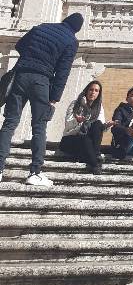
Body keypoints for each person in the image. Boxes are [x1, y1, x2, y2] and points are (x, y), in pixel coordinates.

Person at [0, 12, 82, 187]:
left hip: (20, 75)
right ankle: (35, 172)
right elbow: (62, 71)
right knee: (39, 127)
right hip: (41, 81)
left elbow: (20, 45)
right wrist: (54, 98)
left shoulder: (41, 27)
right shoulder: (71, 41)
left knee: (9, 123)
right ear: (76, 29)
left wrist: (32, 56)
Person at [59, 80, 114, 174]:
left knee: (98, 124)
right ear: (86, 91)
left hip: (88, 141)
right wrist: (77, 121)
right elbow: (68, 125)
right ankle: (95, 164)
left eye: (96, 90)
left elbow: (99, 127)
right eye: (91, 89)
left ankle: (95, 154)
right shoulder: (75, 104)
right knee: (85, 140)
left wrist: (106, 126)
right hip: (70, 139)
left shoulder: (98, 107)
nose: (93, 92)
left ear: (99, 94)